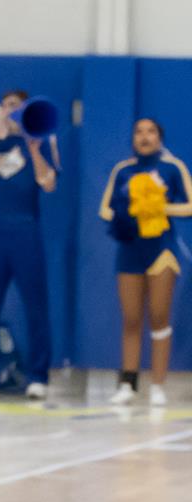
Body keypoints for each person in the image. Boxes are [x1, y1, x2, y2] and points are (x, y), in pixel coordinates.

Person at [0, 89, 58, 400]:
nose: (10, 110)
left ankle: (38, 376)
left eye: (16, 106)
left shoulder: (42, 141)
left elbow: (48, 183)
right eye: (6, 106)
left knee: (35, 306)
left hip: (26, 230)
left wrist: (33, 149)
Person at [98, 117, 190, 408]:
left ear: (159, 138)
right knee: (131, 318)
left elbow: (190, 204)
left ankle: (158, 384)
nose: (144, 136)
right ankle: (128, 382)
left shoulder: (173, 167)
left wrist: (158, 207)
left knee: (160, 316)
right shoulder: (123, 170)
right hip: (129, 251)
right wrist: (128, 215)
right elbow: (104, 209)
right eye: (139, 132)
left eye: (150, 131)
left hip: (162, 250)